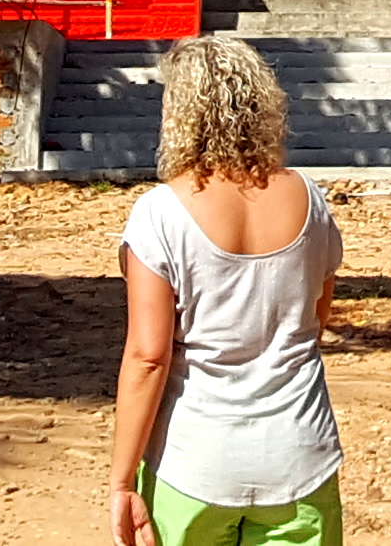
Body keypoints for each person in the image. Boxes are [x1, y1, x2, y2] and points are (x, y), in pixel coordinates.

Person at [110, 35, 341, 546]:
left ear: (181, 113)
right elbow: (316, 319)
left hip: (194, 463)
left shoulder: (159, 212)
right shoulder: (310, 198)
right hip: (300, 453)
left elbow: (149, 356)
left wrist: (122, 481)